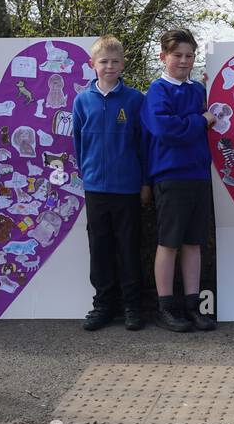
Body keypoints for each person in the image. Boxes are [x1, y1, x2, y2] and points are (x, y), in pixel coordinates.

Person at [72, 35, 151, 332]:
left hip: (128, 188)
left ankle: (132, 306)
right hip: (95, 189)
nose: (109, 66)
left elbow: (143, 144)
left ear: (123, 64)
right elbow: (78, 143)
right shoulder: (82, 100)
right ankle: (103, 304)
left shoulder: (135, 100)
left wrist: (145, 183)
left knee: (129, 248)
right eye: (103, 61)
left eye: (115, 61)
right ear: (92, 64)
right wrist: (87, 174)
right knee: (100, 248)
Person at [143, 28, 216, 332]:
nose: (184, 61)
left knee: (193, 244)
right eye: (177, 56)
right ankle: (166, 307)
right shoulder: (157, 91)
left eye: (189, 56)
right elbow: (167, 131)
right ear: (163, 57)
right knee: (169, 243)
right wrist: (200, 121)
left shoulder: (198, 91)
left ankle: (192, 306)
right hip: (170, 176)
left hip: (198, 175)